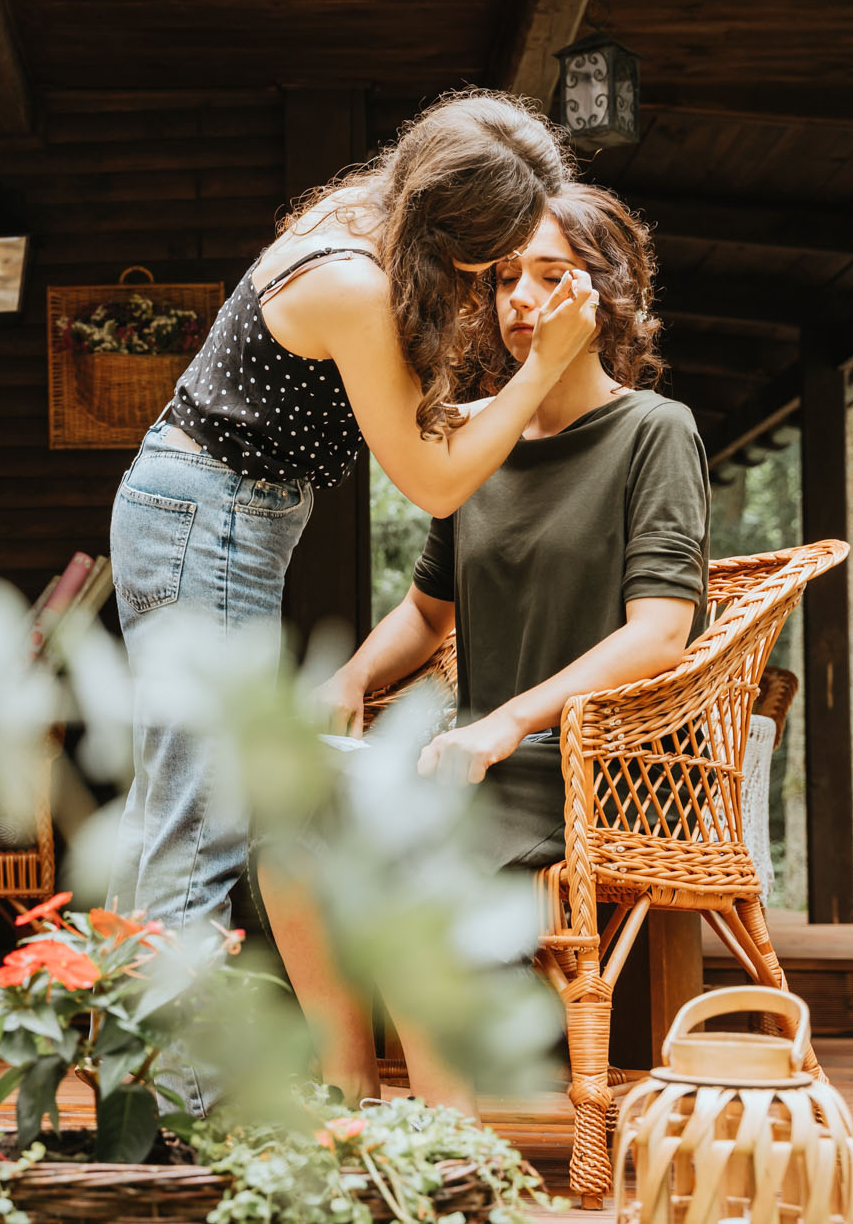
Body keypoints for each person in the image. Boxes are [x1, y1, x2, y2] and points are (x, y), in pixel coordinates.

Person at [105, 90, 595, 1110]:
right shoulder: (352, 283)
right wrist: (539, 368)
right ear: (451, 227)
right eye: (494, 258)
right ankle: (178, 1118)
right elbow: (429, 480)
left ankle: (133, 1088)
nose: (501, 278)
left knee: (178, 806)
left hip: (213, 516)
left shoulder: (370, 218)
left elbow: (410, 419)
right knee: (199, 822)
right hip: (211, 522)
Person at [267, 181, 711, 1109]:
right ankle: (348, 1098)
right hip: (464, 758)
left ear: (606, 291)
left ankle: (442, 1141)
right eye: (504, 275)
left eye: (549, 273)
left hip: (597, 765)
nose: (519, 298)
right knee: (288, 823)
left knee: (401, 837)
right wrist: (348, 677)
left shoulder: (654, 432)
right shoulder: (480, 438)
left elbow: (662, 631)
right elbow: (430, 614)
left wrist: (503, 724)